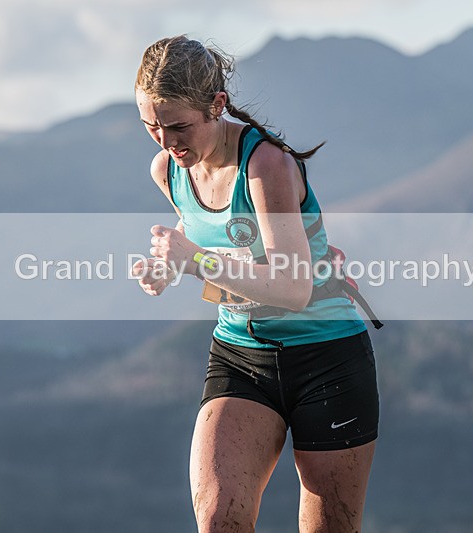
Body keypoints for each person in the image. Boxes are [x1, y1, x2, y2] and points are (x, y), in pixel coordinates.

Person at [132, 35, 381, 533]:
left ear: (217, 105)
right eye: (151, 127)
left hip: (326, 356)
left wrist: (196, 262)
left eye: (178, 126)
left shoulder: (266, 166)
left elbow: (294, 289)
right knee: (220, 516)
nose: (166, 141)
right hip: (240, 354)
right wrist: (167, 264)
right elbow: (200, 232)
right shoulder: (168, 169)